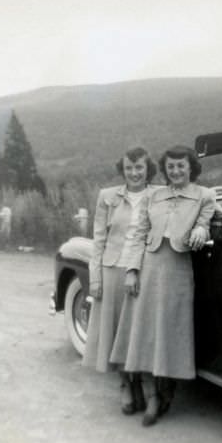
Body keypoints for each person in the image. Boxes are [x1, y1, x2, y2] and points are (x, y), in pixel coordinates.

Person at [110, 145, 217, 426]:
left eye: (181, 165)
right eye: (170, 166)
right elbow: (139, 235)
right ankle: (146, 390)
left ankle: (162, 394)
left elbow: (205, 221)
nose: (176, 171)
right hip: (149, 267)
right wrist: (132, 270)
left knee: (168, 333)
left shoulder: (204, 195)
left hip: (178, 270)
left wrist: (199, 230)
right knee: (145, 332)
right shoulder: (154, 196)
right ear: (165, 169)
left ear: (191, 166)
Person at [83, 146, 158, 415]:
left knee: (140, 332)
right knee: (116, 332)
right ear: (122, 170)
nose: (134, 173)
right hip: (112, 269)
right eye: (129, 168)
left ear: (148, 169)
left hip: (144, 271)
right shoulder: (107, 197)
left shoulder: (159, 196)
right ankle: (126, 385)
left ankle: (146, 385)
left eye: (139, 167)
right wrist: (95, 279)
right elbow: (99, 239)